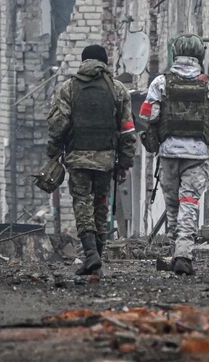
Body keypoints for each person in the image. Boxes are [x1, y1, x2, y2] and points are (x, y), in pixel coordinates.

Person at [139, 34, 209, 275]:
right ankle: (183, 253)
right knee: (189, 202)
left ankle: (177, 249)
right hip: (199, 154)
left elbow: (148, 115)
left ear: (175, 53)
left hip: (169, 153)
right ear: (199, 55)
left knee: (172, 204)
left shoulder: (160, 82)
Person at [47, 43, 136, 276]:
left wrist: (53, 151)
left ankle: (90, 254)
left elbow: (59, 125)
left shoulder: (68, 88)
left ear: (83, 61)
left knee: (82, 202)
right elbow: (127, 130)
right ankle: (97, 253)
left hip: (78, 157)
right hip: (106, 159)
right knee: (101, 203)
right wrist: (125, 162)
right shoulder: (118, 90)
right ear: (105, 62)